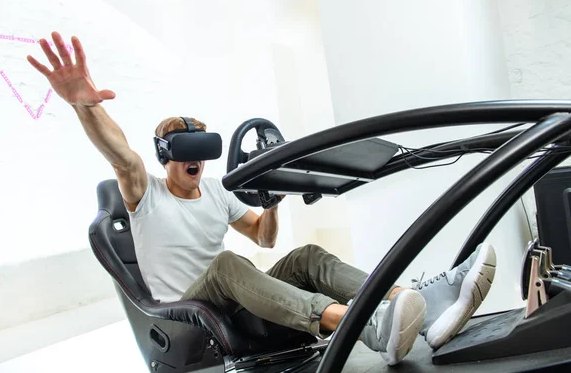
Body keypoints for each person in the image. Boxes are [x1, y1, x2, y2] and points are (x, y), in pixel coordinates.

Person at [28, 32, 497, 366]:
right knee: (232, 265)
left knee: (306, 256)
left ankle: (418, 297)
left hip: (231, 294)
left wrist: (272, 199)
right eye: (185, 150)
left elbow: (264, 238)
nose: (197, 161)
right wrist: (84, 105)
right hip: (188, 311)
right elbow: (119, 154)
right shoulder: (144, 192)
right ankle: (363, 324)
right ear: (167, 155)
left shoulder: (216, 191)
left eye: (201, 149)